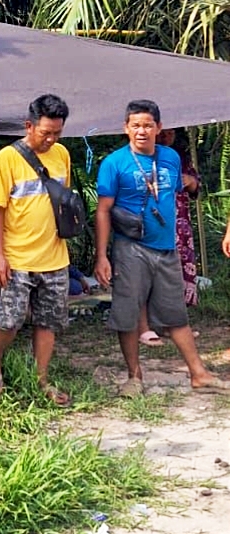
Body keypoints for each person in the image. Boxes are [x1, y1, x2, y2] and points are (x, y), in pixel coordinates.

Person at [94, 100, 229, 397]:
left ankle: (199, 374)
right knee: (128, 315)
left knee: (176, 314)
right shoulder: (114, 163)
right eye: (135, 125)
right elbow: (103, 211)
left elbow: (171, 198)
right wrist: (101, 256)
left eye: (147, 125)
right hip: (130, 248)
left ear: (159, 127)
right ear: (125, 128)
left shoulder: (170, 158)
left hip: (167, 249)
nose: (141, 131)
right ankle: (134, 377)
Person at [0, 94, 73, 407]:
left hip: (55, 256)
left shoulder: (62, 155)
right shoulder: (7, 159)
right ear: (28, 125)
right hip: (18, 256)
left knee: (49, 321)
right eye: (45, 132)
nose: (51, 139)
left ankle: (41, 378)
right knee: (10, 318)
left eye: (57, 133)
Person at [137, 127, 201, 347]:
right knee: (146, 275)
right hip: (150, 225)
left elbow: (195, 186)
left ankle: (171, 325)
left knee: (174, 276)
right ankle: (143, 327)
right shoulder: (138, 156)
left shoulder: (178, 157)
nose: (166, 137)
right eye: (163, 132)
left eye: (171, 132)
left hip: (178, 227)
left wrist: (190, 182)